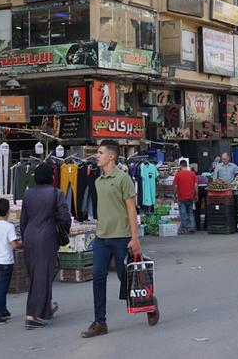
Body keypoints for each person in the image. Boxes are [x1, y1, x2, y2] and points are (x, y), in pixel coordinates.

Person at [82, 140, 159, 338]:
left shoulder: (123, 178)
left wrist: (135, 238)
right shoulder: (98, 181)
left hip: (122, 237)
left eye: (100, 152)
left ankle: (149, 304)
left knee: (126, 277)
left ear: (111, 156)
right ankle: (100, 322)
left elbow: (131, 210)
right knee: (98, 277)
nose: (96, 156)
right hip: (101, 237)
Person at [20, 162, 71, 329]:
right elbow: (64, 217)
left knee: (37, 273)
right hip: (46, 236)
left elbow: (23, 220)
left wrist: (24, 237)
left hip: (30, 235)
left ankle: (46, 307)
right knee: (43, 275)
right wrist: (63, 231)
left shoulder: (27, 194)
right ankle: (33, 315)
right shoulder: (56, 193)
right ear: (51, 176)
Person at [0, 198, 22, 326]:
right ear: (8, 211)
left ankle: (3, 311)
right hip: (5, 261)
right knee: (2, 289)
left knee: (1, 286)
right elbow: (14, 245)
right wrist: (22, 244)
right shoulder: (9, 226)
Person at [173, 160, 197, 234]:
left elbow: (175, 186)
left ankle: (185, 228)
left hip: (181, 197)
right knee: (190, 212)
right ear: (186, 166)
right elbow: (195, 186)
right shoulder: (192, 174)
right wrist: (196, 195)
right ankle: (192, 227)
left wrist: (175, 195)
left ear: (180, 166)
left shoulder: (178, 175)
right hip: (191, 196)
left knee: (183, 213)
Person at [193, 164, 209, 232]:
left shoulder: (195, 177)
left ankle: (198, 226)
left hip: (199, 189)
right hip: (206, 189)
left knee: (198, 209)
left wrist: (195, 195)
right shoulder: (205, 177)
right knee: (207, 208)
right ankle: (206, 225)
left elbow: (195, 186)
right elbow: (207, 183)